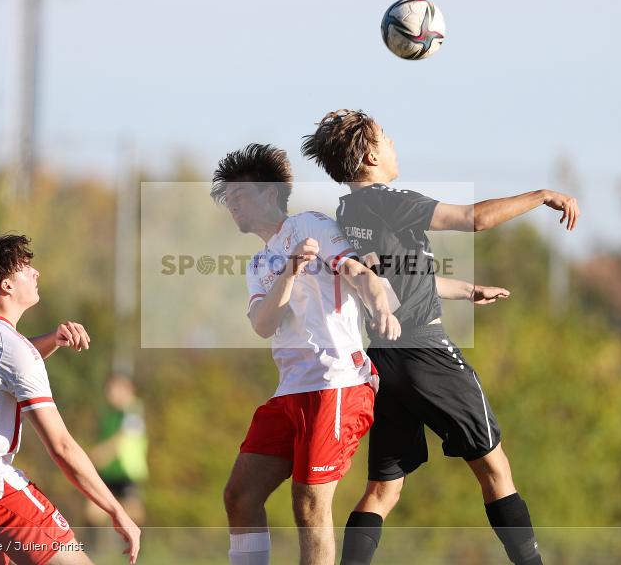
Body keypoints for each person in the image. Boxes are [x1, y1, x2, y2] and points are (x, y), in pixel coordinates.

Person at [302, 109, 580, 565]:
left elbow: (397, 277)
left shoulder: (349, 209)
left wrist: (466, 290)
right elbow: (473, 219)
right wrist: (542, 194)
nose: (393, 144)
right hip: (426, 353)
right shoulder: (390, 200)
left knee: (382, 490)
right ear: (370, 155)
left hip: (384, 360)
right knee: (495, 468)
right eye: (386, 138)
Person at [210, 143, 400, 565]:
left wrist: (382, 306)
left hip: (336, 383)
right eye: (228, 199)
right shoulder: (259, 263)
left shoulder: (309, 224)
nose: (232, 204)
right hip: (292, 389)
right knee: (240, 495)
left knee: (310, 503)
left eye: (239, 194)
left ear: (269, 193)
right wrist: (291, 270)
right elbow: (263, 324)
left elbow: (355, 270)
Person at [0, 234, 140, 565]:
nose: (36, 274)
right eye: (26, 268)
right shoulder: (14, 351)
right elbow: (61, 446)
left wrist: (51, 340)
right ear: (6, 286)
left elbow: (0, 364)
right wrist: (116, 510)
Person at [85, 373, 148, 530]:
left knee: (133, 515)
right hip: (107, 472)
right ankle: (91, 552)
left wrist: (100, 453)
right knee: (92, 512)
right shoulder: (108, 413)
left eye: (113, 389)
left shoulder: (133, 411)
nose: (109, 394)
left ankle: (140, 550)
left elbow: (123, 437)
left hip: (127, 472)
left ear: (127, 390)